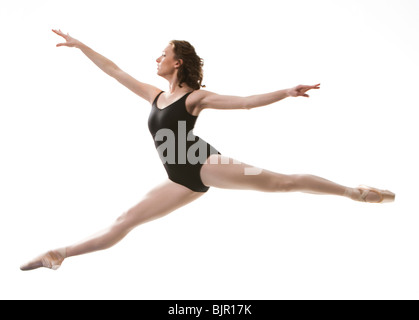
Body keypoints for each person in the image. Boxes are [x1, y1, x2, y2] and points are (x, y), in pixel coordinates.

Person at [20, 30, 395, 271]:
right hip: (179, 178)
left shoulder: (195, 98)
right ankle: (61, 254)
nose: (156, 59)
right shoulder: (155, 95)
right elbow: (114, 71)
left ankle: (354, 192)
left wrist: (285, 92)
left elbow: (246, 102)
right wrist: (82, 45)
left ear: (177, 61)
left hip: (207, 163)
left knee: (282, 182)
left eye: (161, 54)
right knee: (125, 220)